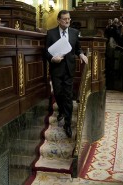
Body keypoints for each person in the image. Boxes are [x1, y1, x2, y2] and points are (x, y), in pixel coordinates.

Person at [45, 10, 88, 138]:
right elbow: (46, 51)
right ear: (58, 20)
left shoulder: (74, 32)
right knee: (58, 93)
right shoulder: (51, 33)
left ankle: (67, 124)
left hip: (69, 69)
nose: (67, 21)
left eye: (69, 19)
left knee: (68, 96)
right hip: (56, 68)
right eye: (64, 19)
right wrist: (52, 59)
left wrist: (81, 54)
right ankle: (62, 111)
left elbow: (78, 48)